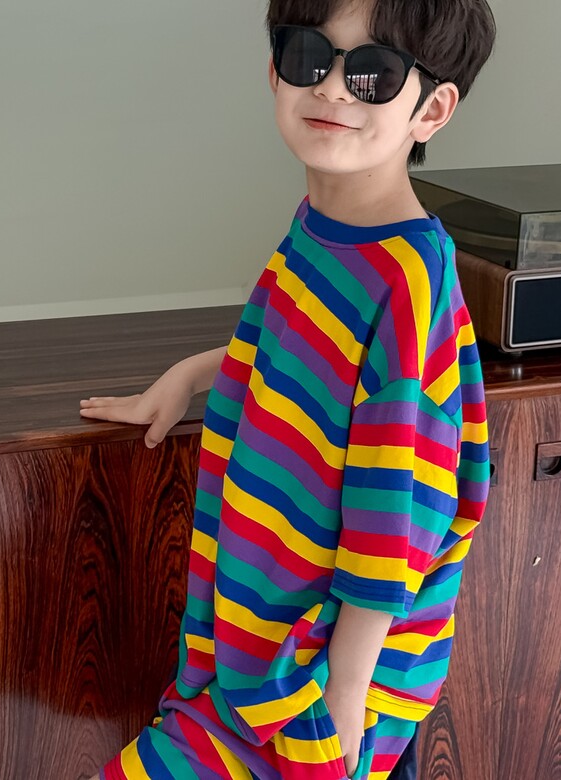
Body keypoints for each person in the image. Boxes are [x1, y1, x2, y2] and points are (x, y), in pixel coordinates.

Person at [80, 0, 494, 777]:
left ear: (432, 110)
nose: (332, 87)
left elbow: (396, 513)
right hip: (257, 647)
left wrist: (344, 695)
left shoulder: (406, 279)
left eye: (373, 73)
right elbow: (303, 345)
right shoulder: (324, 229)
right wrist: (190, 375)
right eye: (309, 56)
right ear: (275, 72)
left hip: (317, 680)